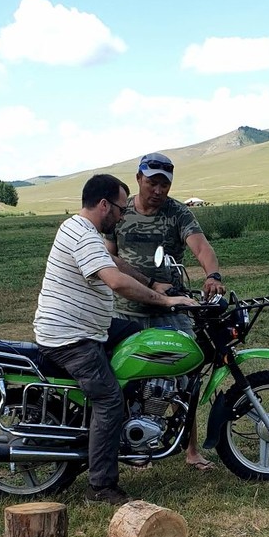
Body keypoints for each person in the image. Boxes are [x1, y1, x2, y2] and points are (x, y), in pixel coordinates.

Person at [33, 173, 197, 504]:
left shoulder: (79, 230)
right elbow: (116, 281)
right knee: (108, 400)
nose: (122, 216)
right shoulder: (85, 237)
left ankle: (137, 422)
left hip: (90, 327)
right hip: (71, 338)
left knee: (145, 339)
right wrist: (165, 302)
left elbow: (117, 263)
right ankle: (101, 487)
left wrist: (153, 284)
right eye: (121, 209)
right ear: (104, 205)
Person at [107, 152, 225, 470]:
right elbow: (108, 255)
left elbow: (201, 246)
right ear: (138, 179)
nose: (158, 191)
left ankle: (191, 451)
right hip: (126, 309)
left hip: (170, 308)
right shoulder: (121, 212)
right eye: (152, 183)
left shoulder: (177, 213)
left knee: (187, 378)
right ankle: (134, 446)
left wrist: (212, 275)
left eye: (164, 185)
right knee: (129, 379)